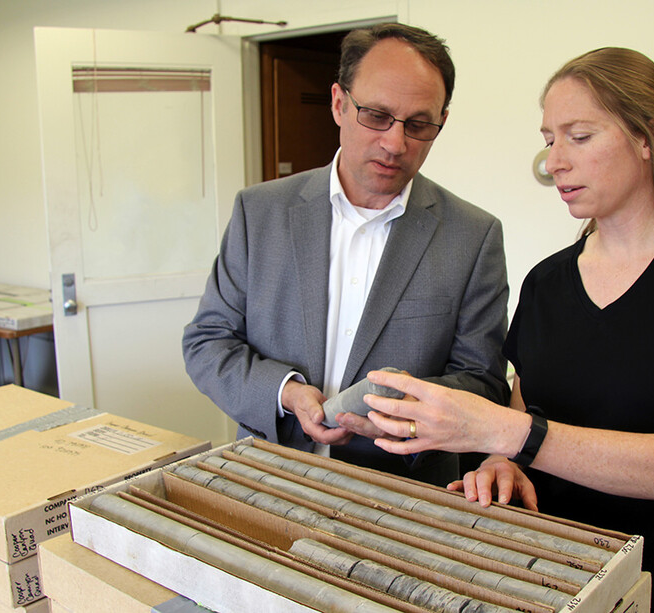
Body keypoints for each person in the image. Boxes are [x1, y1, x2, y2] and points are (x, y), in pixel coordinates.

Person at [362, 47, 654, 613]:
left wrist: (503, 434)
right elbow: (521, 413)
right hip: (552, 579)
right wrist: (498, 466)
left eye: (579, 137)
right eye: (548, 139)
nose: (554, 162)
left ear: (648, 137)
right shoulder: (547, 282)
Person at [182, 23, 510, 487]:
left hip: (401, 495)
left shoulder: (473, 237)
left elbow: (483, 382)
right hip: (267, 477)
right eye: (376, 115)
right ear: (338, 103)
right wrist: (286, 393)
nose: (395, 144)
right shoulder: (260, 213)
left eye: (418, 125)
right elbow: (207, 342)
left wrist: (400, 415)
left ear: (442, 122)